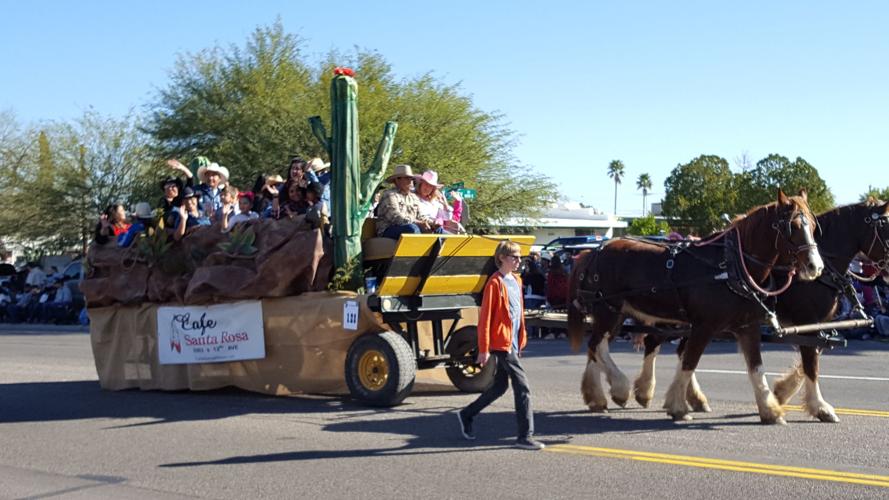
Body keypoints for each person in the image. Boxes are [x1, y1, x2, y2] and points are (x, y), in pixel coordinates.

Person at [456, 240, 544, 450]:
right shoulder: (494, 283)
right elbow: (485, 317)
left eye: (520, 257)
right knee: (523, 387)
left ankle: (467, 414)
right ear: (502, 258)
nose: (518, 261)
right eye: (514, 256)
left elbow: (517, 314)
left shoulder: (517, 281)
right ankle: (525, 436)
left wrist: (520, 339)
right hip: (500, 343)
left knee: (499, 387)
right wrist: (484, 348)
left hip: (512, 342)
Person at [375, 164, 436, 239]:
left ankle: (442, 250)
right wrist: (417, 223)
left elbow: (420, 216)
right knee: (412, 228)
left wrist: (431, 223)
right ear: (397, 180)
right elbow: (396, 218)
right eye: (407, 178)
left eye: (411, 179)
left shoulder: (413, 197)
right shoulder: (390, 195)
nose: (411, 181)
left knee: (438, 230)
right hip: (388, 229)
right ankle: (418, 249)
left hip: (408, 226)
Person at [414, 170, 463, 234]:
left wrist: (444, 203)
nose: (427, 188)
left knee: (452, 238)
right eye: (426, 184)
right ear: (421, 184)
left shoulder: (434, 202)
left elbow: (447, 217)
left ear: (433, 189)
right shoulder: (413, 197)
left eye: (430, 186)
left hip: (434, 229)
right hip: (420, 228)